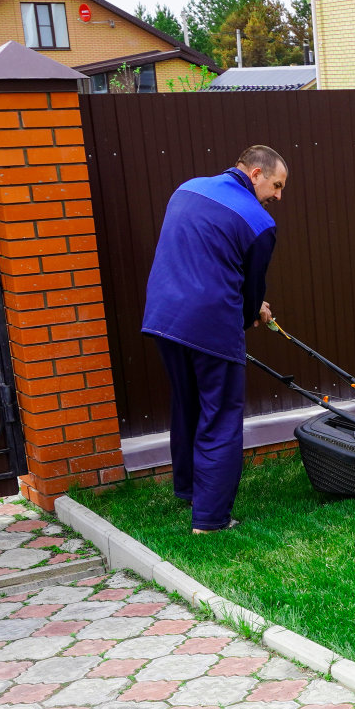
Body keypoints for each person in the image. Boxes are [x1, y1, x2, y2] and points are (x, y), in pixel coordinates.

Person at [142, 146, 287, 534]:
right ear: (255, 174)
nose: (278, 196)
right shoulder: (259, 222)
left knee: (187, 405)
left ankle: (188, 491)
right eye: (276, 185)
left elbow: (201, 258)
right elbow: (251, 287)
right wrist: (250, 313)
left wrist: (251, 303)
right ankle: (210, 520)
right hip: (209, 326)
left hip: (163, 319)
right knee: (220, 417)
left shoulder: (187, 190)